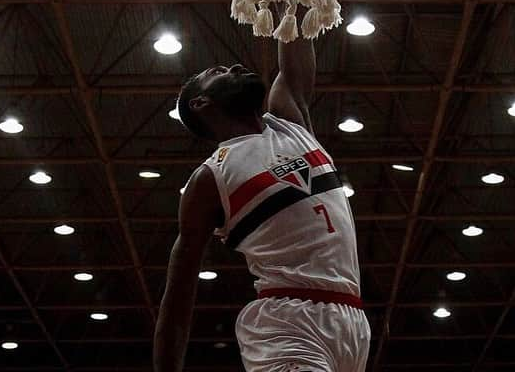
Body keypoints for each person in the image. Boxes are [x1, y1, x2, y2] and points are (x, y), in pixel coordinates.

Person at [153, 35, 370, 372]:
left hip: (352, 323)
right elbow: (178, 296)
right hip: (288, 326)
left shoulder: (290, 121)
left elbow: (295, 45)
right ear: (200, 102)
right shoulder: (211, 177)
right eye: (219, 71)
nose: (237, 67)